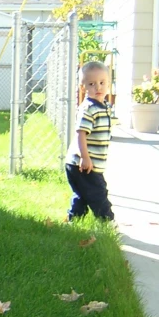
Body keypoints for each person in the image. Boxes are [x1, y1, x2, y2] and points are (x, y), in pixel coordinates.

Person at [65, 61, 115, 222]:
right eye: (92, 84)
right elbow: (81, 134)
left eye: (102, 83)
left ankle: (75, 220)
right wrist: (85, 157)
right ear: (83, 87)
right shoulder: (89, 109)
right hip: (83, 164)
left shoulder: (104, 106)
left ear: (109, 83)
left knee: (83, 195)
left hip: (90, 163)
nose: (98, 88)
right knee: (98, 193)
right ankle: (106, 221)